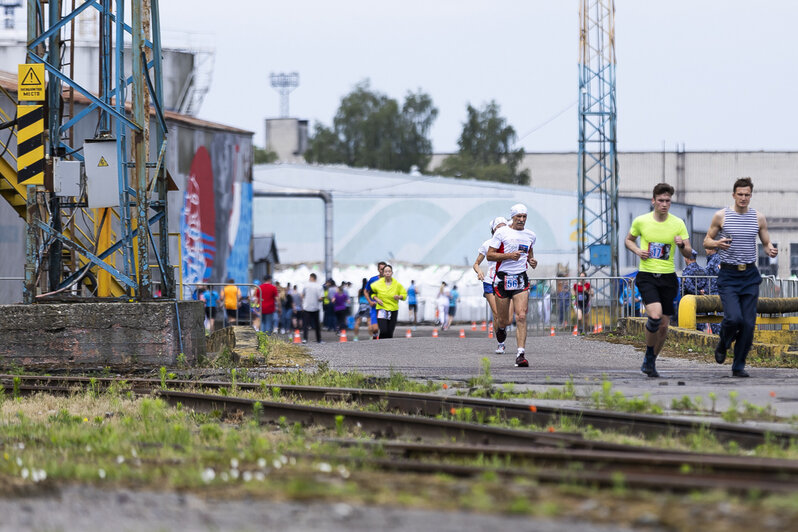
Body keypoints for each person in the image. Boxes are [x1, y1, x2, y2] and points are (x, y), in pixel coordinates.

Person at [704, 177, 778, 378]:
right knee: (733, 318)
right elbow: (706, 241)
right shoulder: (722, 216)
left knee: (748, 323)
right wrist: (717, 244)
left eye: (747, 195)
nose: (743, 198)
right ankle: (723, 343)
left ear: (751, 196)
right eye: (740, 194)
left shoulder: (758, 218)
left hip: (750, 275)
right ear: (733, 195)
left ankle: (738, 365)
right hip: (728, 274)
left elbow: (766, 243)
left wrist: (770, 250)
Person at [625, 183, 693, 378]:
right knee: (655, 317)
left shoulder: (678, 223)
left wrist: (681, 246)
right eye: (661, 200)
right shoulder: (641, 221)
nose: (664, 204)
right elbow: (628, 240)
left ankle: (651, 361)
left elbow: (689, 251)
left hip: (668, 277)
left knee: (664, 326)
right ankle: (648, 352)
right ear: (653, 201)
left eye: (668, 201)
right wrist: (638, 250)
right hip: (647, 275)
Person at [486, 203, 537, 368]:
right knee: (504, 320)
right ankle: (500, 331)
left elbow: (529, 253)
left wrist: (532, 261)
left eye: (524, 217)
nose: (522, 220)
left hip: (520, 278)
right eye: (518, 217)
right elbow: (490, 255)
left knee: (521, 316)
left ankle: (520, 354)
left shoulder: (530, 235)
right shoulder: (502, 232)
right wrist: (509, 256)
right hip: (502, 279)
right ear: (512, 217)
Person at [473, 216, 507, 350]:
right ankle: (500, 344)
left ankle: (501, 332)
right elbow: (476, 263)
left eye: (504, 226)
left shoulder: (509, 244)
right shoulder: (487, 244)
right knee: (497, 312)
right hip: (489, 281)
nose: (502, 229)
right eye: (499, 227)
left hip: (503, 281)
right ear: (494, 230)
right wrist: (479, 272)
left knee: (503, 316)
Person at [368, 264, 407, 339]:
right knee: (383, 331)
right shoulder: (377, 284)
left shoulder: (397, 284)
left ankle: (388, 349)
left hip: (393, 309)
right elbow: (371, 293)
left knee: (390, 332)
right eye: (386, 271)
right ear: (383, 273)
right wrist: (376, 299)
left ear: (392, 273)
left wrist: (399, 297)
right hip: (382, 309)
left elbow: (404, 294)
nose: (387, 273)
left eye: (389, 271)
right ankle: (381, 345)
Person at [364, 262, 387, 340]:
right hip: (374, 306)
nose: (383, 271)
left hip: (385, 307)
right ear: (378, 269)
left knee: (384, 330)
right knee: (375, 329)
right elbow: (365, 291)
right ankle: (375, 337)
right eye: (381, 269)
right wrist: (370, 301)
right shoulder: (373, 279)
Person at [301, 273, 324, 343]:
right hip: (315, 307)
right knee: (317, 325)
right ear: (315, 278)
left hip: (306, 307)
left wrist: (304, 302)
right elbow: (321, 298)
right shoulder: (319, 286)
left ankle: (305, 339)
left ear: (311, 277)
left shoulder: (306, 285)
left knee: (305, 324)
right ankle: (319, 339)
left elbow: (302, 295)